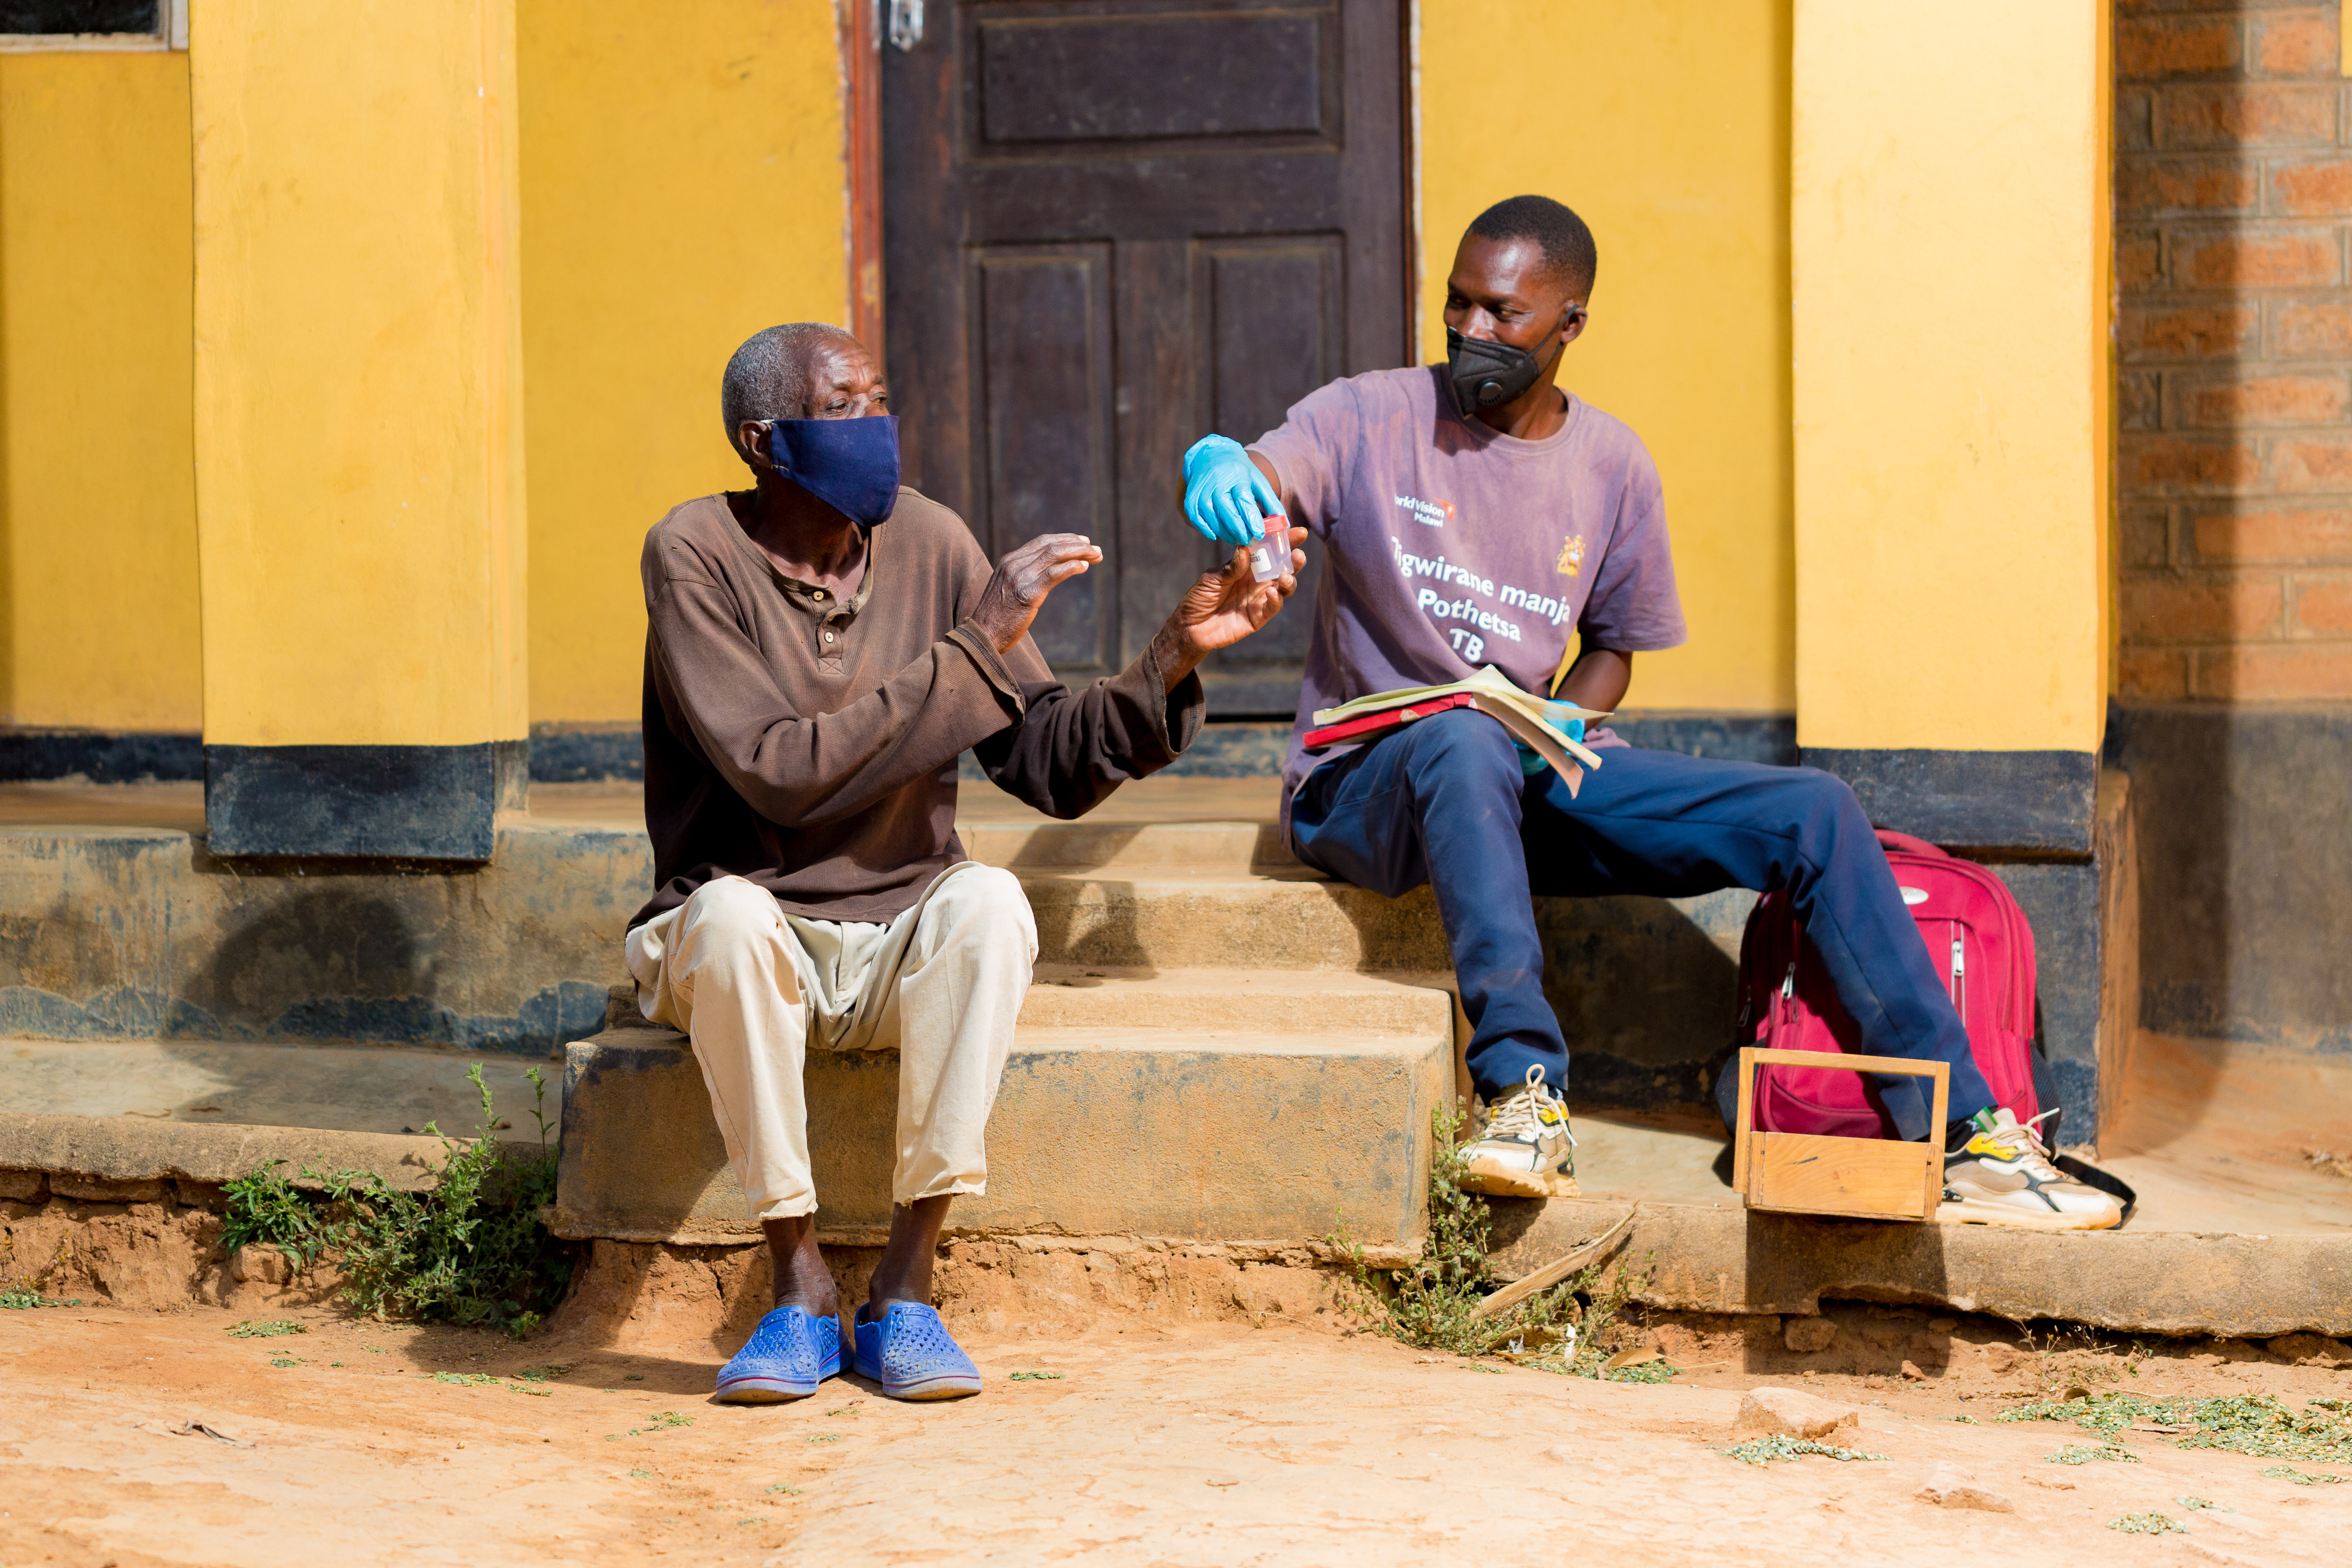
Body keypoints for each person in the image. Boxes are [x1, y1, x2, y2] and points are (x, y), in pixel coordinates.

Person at [1177, 196, 2122, 1232]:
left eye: (1501, 313)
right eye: (1456, 306)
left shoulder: (1612, 466)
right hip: (1365, 788)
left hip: (1517, 772)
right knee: (1459, 734)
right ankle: (1522, 1095)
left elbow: (1613, 651)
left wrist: (1565, 725)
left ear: (1569, 324)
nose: (1469, 333)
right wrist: (1225, 466)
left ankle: (1967, 1138)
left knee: (1809, 808)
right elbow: (1271, 467)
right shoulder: (1369, 414)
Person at [630, 322, 1304, 1405]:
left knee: (988, 900)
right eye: (847, 406)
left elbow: (1044, 761)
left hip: (893, 928)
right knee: (725, 920)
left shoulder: (933, 542)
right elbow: (776, 772)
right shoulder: (694, 552)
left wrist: (1171, 654)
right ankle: (796, 1282)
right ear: (765, 440)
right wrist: (971, 646)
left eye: (881, 397)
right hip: (748, 929)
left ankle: (906, 1283)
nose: (880, 429)